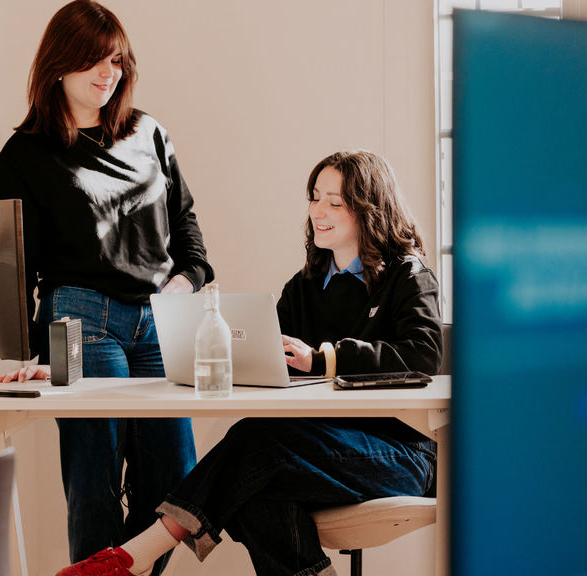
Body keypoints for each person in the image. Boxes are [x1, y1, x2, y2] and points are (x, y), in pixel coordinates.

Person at [56, 149, 442, 576]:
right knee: (252, 488)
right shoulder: (304, 285)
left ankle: (136, 554)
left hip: (402, 456)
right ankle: (134, 558)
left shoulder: (408, 275)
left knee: (255, 445)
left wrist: (324, 359)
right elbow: (261, 359)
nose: (319, 211)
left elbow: (423, 354)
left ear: (370, 211)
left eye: (335, 202)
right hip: (315, 451)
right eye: (315, 198)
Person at [0, 2, 214, 574]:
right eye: (93, 59)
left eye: (115, 59)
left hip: (161, 317)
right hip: (77, 317)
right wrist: (29, 354)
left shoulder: (150, 132)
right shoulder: (25, 154)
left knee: (175, 480)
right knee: (93, 474)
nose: (107, 72)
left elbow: (189, 236)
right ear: (59, 64)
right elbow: (15, 269)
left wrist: (185, 285)